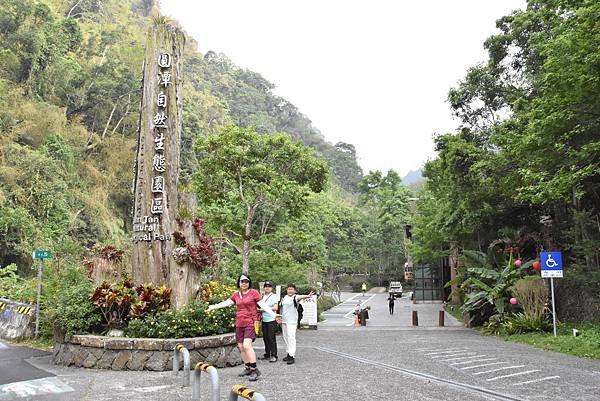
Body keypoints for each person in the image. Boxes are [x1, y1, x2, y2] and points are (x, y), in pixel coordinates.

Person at [206, 274, 279, 381]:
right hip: (239, 323)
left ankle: (255, 370)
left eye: (246, 281)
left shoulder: (254, 293)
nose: (244, 283)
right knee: (240, 346)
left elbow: (263, 305)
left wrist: (274, 315)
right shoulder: (236, 295)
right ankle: (247, 367)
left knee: (246, 345)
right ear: (239, 283)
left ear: (249, 283)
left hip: (250, 322)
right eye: (242, 282)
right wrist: (212, 307)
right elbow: (226, 303)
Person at [279, 283, 313, 365]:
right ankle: (288, 353)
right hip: (284, 321)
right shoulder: (284, 298)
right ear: (286, 290)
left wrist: (308, 296)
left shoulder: (295, 297)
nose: (290, 290)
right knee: (286, 337)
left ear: (294, 290)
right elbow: (281, 308)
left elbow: (301, 296)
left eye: (291, 289)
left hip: (292, 321)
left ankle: (292, 355)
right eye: (289, 289)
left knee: (291, 338)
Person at [258, 281, 279, 362]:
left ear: (272, 288)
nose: (267, 288)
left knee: (271, 338)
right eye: (266, 286)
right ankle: (267, 354)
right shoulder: (262, 296)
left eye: (269, 286)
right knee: (265, 338)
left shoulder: (274, 296)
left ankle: (274, 355)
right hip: (264, 320)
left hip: (271, 319)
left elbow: (275, 307)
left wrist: (263, 309)